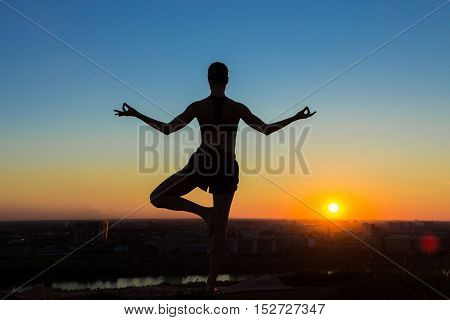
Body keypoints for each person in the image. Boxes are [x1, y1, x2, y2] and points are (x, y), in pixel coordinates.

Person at [114, 62, 316, 293]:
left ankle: (204, 213)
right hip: (226, 167)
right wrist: (296, 118)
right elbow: (266, 130)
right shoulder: (237, 108)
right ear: (227, 80)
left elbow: (167, 129)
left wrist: (136, 114)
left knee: (157, 196)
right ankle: (210, 286)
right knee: (220, 230)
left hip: (204, 162)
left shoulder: (199, 107)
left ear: (208, 80)